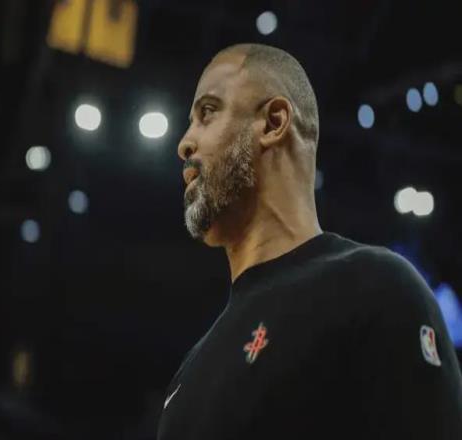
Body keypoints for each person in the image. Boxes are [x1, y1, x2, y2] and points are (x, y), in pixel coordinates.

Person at [157, 43, 462, 439]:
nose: (184, 142)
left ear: (274, 122)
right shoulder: (188, 373)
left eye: (208, 112)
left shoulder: (377, 288)